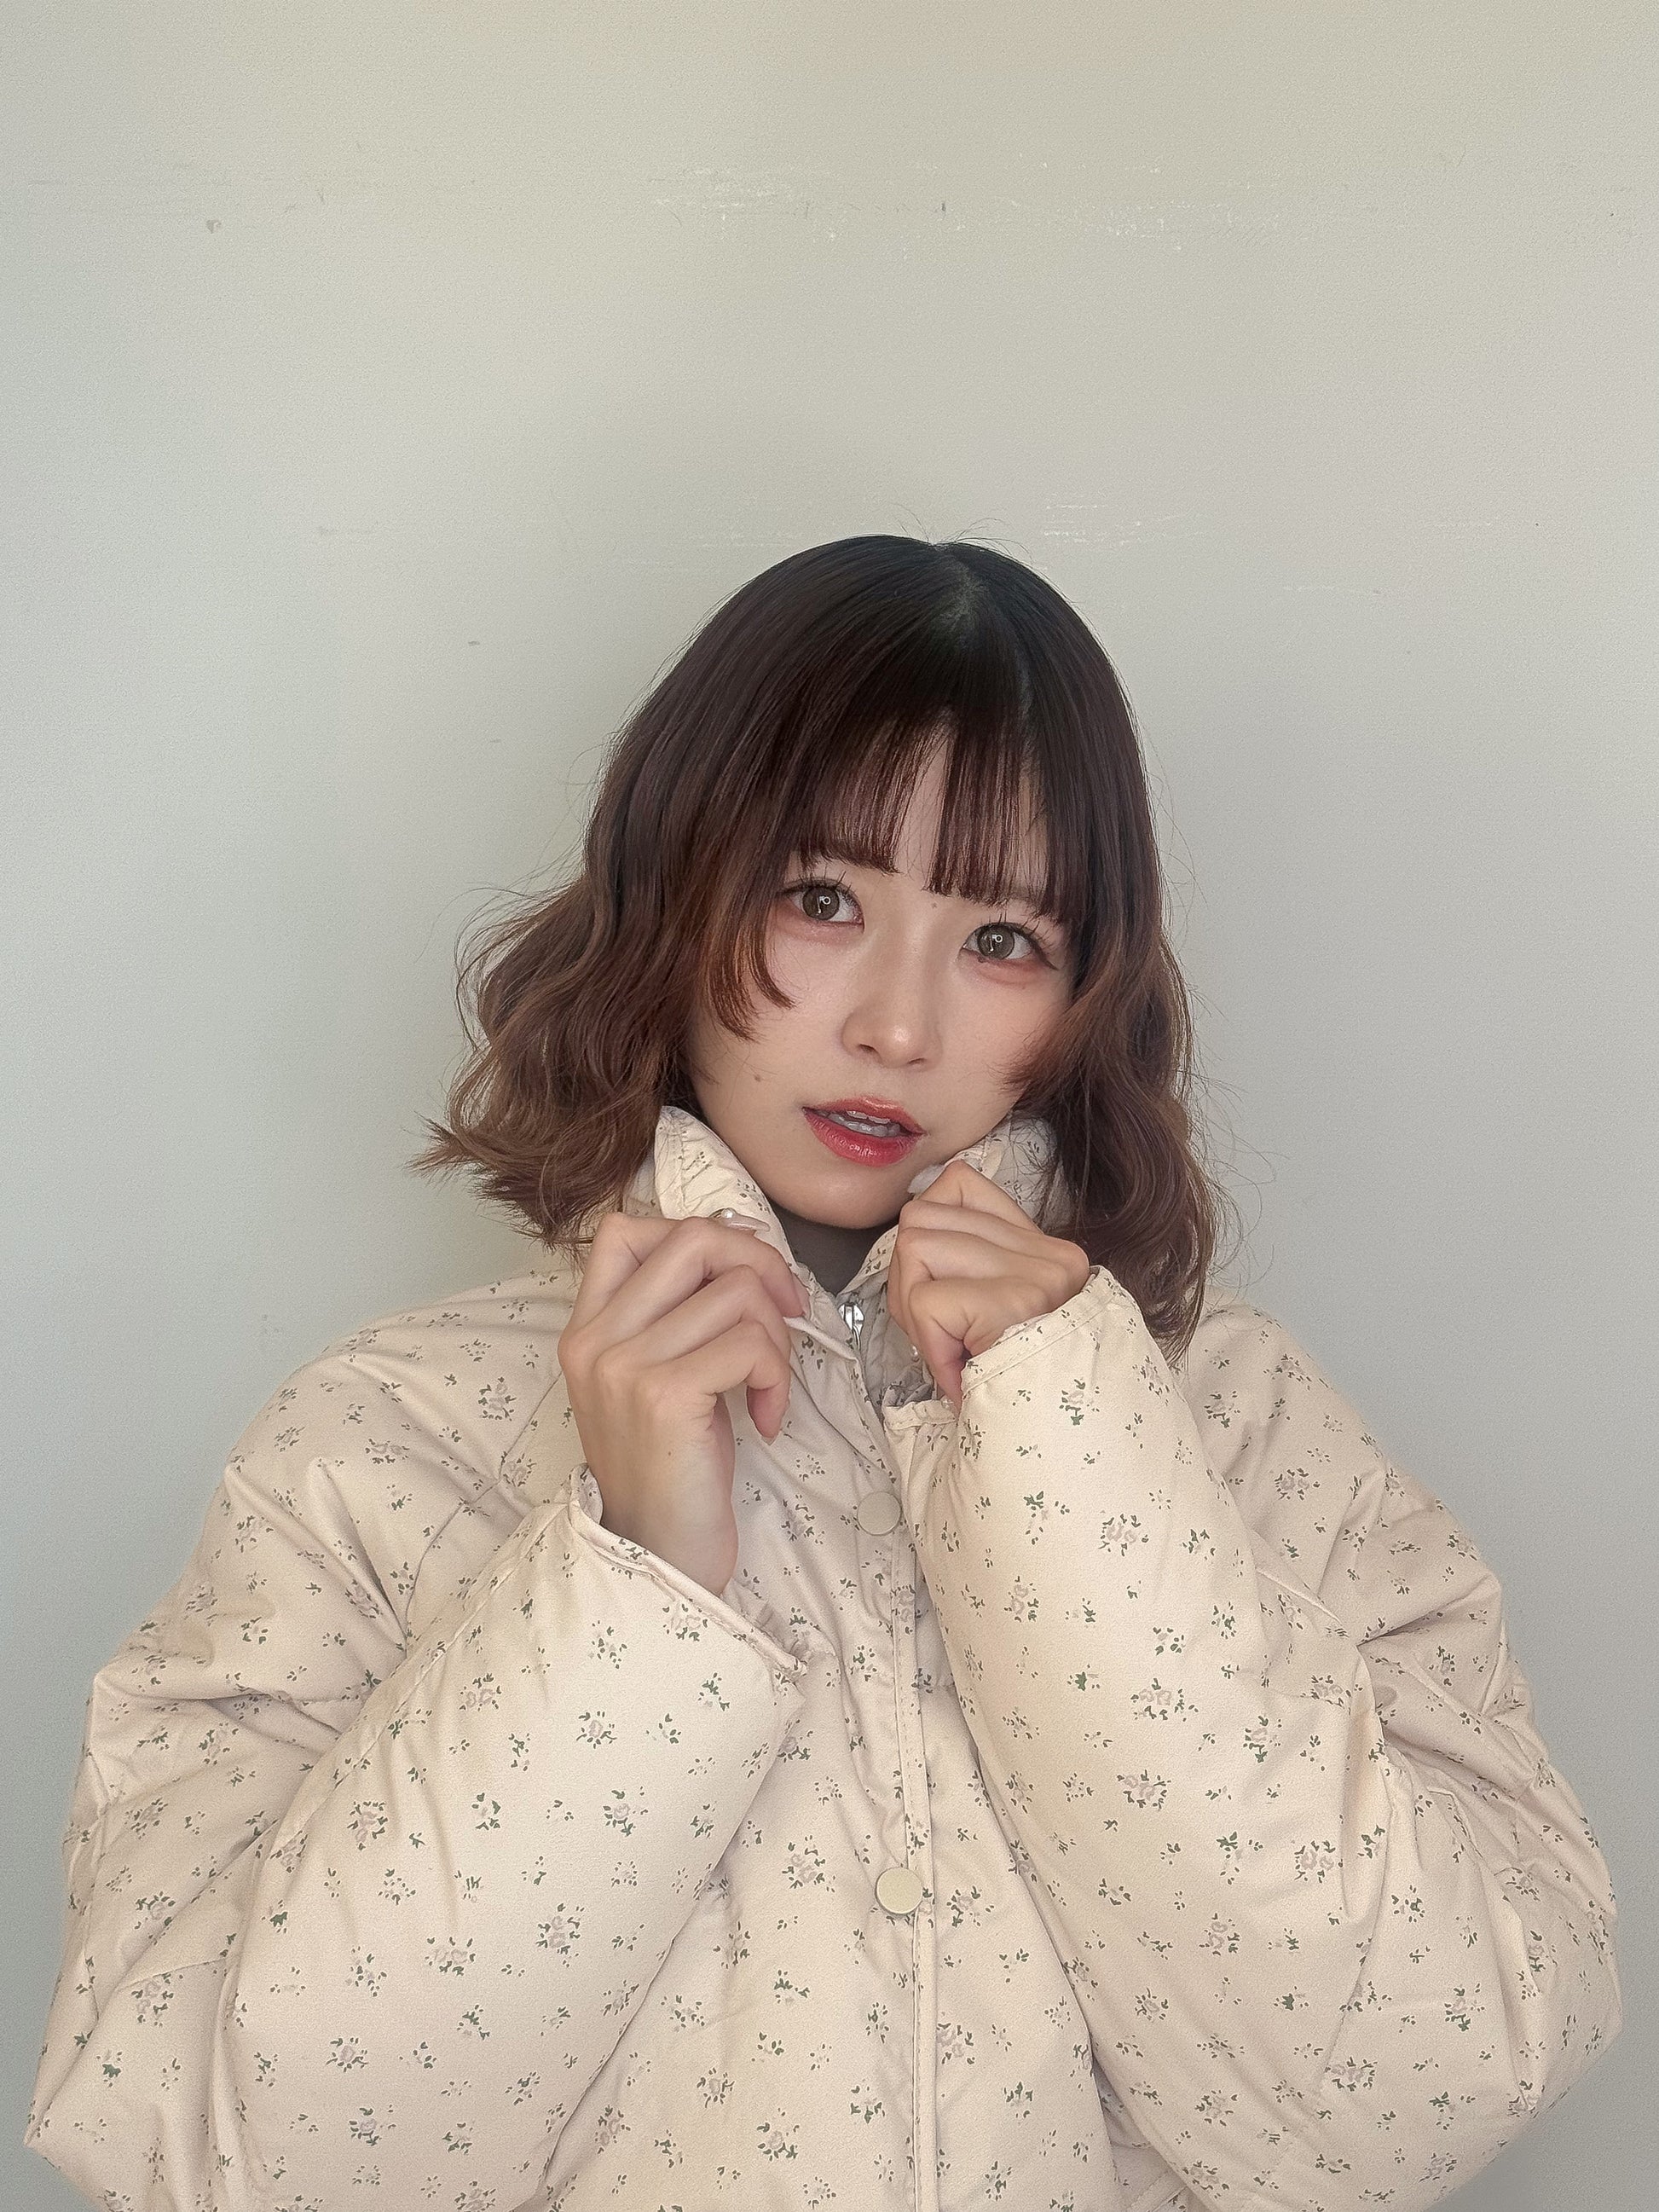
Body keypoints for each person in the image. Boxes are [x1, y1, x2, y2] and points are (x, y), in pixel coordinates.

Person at [27, 536, 1621, 2212]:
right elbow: (239, 2158)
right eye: (822, 899)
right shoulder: (378, 1444)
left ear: (1087, 991)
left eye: (999, 935)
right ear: (675, 885)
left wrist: (1073, 1450)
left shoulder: (1234, 1420)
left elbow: (1423, 2092)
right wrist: (634, 1581)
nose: (896, 1026)